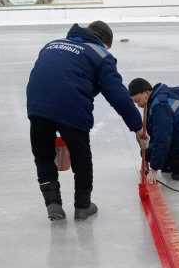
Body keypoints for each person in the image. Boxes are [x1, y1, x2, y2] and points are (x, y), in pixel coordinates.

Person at [26, 21, 145, 221]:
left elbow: (57, 73)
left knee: (43, 155)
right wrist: (137, 126)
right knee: (81, 157)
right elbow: (117, 95)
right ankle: (83, 206)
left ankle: (53, 204)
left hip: (37, 105)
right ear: (104, 42)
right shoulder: (100, 54)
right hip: (71, 105)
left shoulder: (52, 44)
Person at [128, 78, 179, 183]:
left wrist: (154, 169)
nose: (138, 105)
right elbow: (158, 132)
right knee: (149, 153)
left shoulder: (160, 106)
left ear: (146, 92)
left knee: (153, 155)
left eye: (138, 100)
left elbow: (162, 138)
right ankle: (173, 163)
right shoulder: (160, 96)